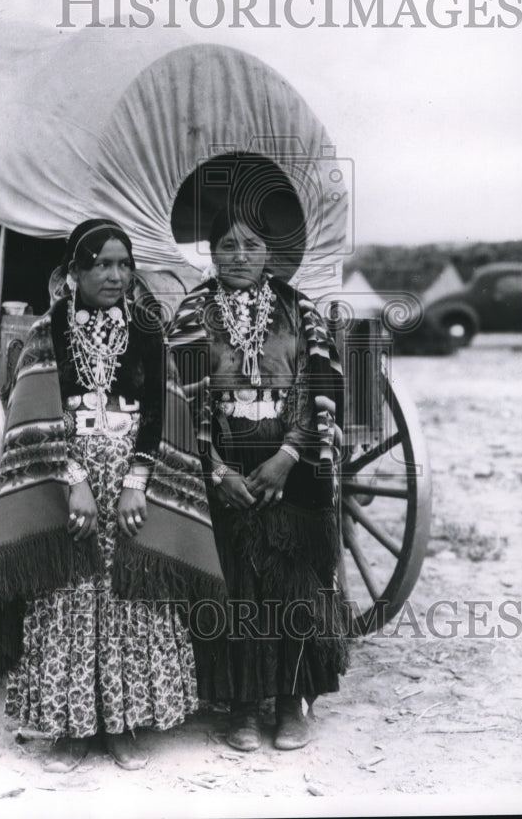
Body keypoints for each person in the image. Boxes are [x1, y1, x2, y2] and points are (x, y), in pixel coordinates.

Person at [0, 219, 224, 773]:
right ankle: (70, 730)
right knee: (68, 595)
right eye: (102, 264)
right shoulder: (49, 331)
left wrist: (137, 482)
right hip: (67, 484)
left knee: (133, 597)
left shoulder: (146, 329)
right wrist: (75, 480)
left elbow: (159, 413)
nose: (115, 275)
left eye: (124, 265)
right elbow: (35, 414)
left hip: (134, 483)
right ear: (75, 272)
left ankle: (124, 725)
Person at [168, 207, 349, 752]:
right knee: (236, 585)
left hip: (292, 469)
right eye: (227, 245)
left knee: (294, 583)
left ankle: (292, 703)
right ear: (212, 252)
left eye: (251, 245)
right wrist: (216, 470)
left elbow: (323, 386)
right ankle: (243, 707)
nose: (239, 256)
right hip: (222, 473)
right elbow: (177, 402)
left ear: (270, 253)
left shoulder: (300, 310)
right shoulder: (193, 312)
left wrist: (289, 456)